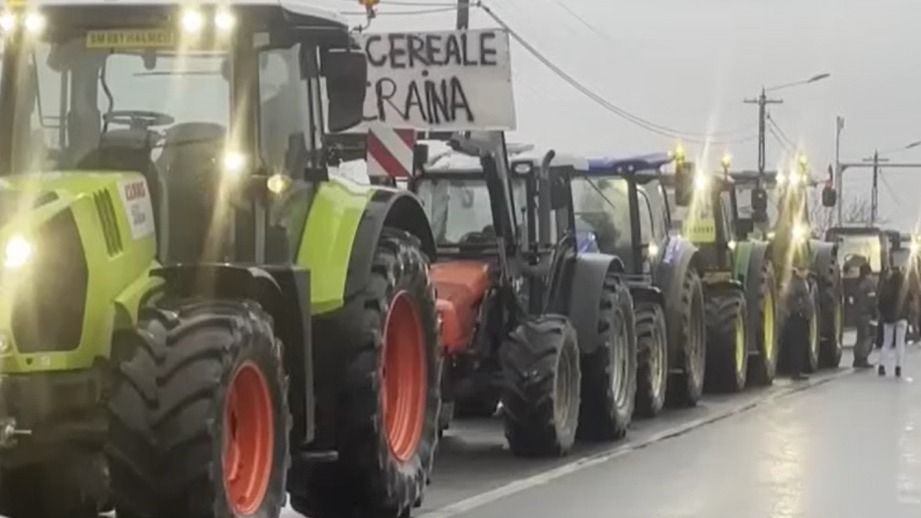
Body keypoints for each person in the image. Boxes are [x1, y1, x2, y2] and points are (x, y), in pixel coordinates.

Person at [877, 265, 908, 378]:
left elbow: (881, 302)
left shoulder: (887, 288)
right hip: (902, 319)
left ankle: (881, 366)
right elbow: (909, 301)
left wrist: (884, 315)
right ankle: (898, 368)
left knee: (887, 342)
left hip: (888, 319)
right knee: (900, 344)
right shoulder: (904, 287)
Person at [786, 267, 814, 381]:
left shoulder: (803, 282)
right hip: (797, 318)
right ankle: (795, 372)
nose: (806, 272)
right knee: (797, 346)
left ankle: (799, 370)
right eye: (804, 270)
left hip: (803, 317)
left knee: (802, 345)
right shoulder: (795, 283)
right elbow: (790, 297)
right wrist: (799, 308)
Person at [853, 263, 877, 368]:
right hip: (867, 314)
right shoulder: (869, 284)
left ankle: (857, 359)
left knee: (860, 337)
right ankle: (863, 359)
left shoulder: (858, 283)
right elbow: (872, 300)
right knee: (867, 337)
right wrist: (875, 314)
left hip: (858, 314)